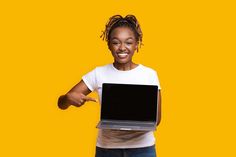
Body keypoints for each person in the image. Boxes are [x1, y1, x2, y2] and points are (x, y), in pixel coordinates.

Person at [58, 14, 162, 157]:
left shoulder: (149, 74)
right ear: (109, 45)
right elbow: (61, 104)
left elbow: (157, 120)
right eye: (116, 42)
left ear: (137, 44)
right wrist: (68, 98)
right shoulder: (98, 73)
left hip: (143, 149)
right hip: (107, 150)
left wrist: (136, 121)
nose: (122, 48)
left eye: (129, 42)